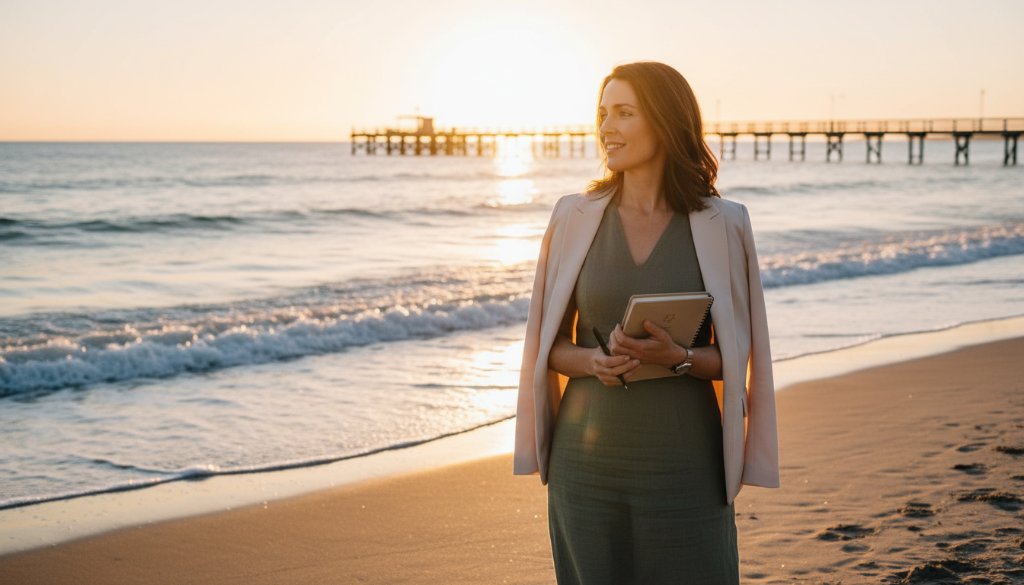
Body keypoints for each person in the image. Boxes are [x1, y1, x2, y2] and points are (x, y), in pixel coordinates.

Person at [513, 61, 780, 584]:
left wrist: (679, 358)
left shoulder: (724, 223)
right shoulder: (572, 217)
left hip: (686, 460)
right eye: (602, 114)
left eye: (624, 113)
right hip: (585, 461)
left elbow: (736, 357)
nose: (606, 128)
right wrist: (592, 361)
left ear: (664, 121)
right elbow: (548, 346)